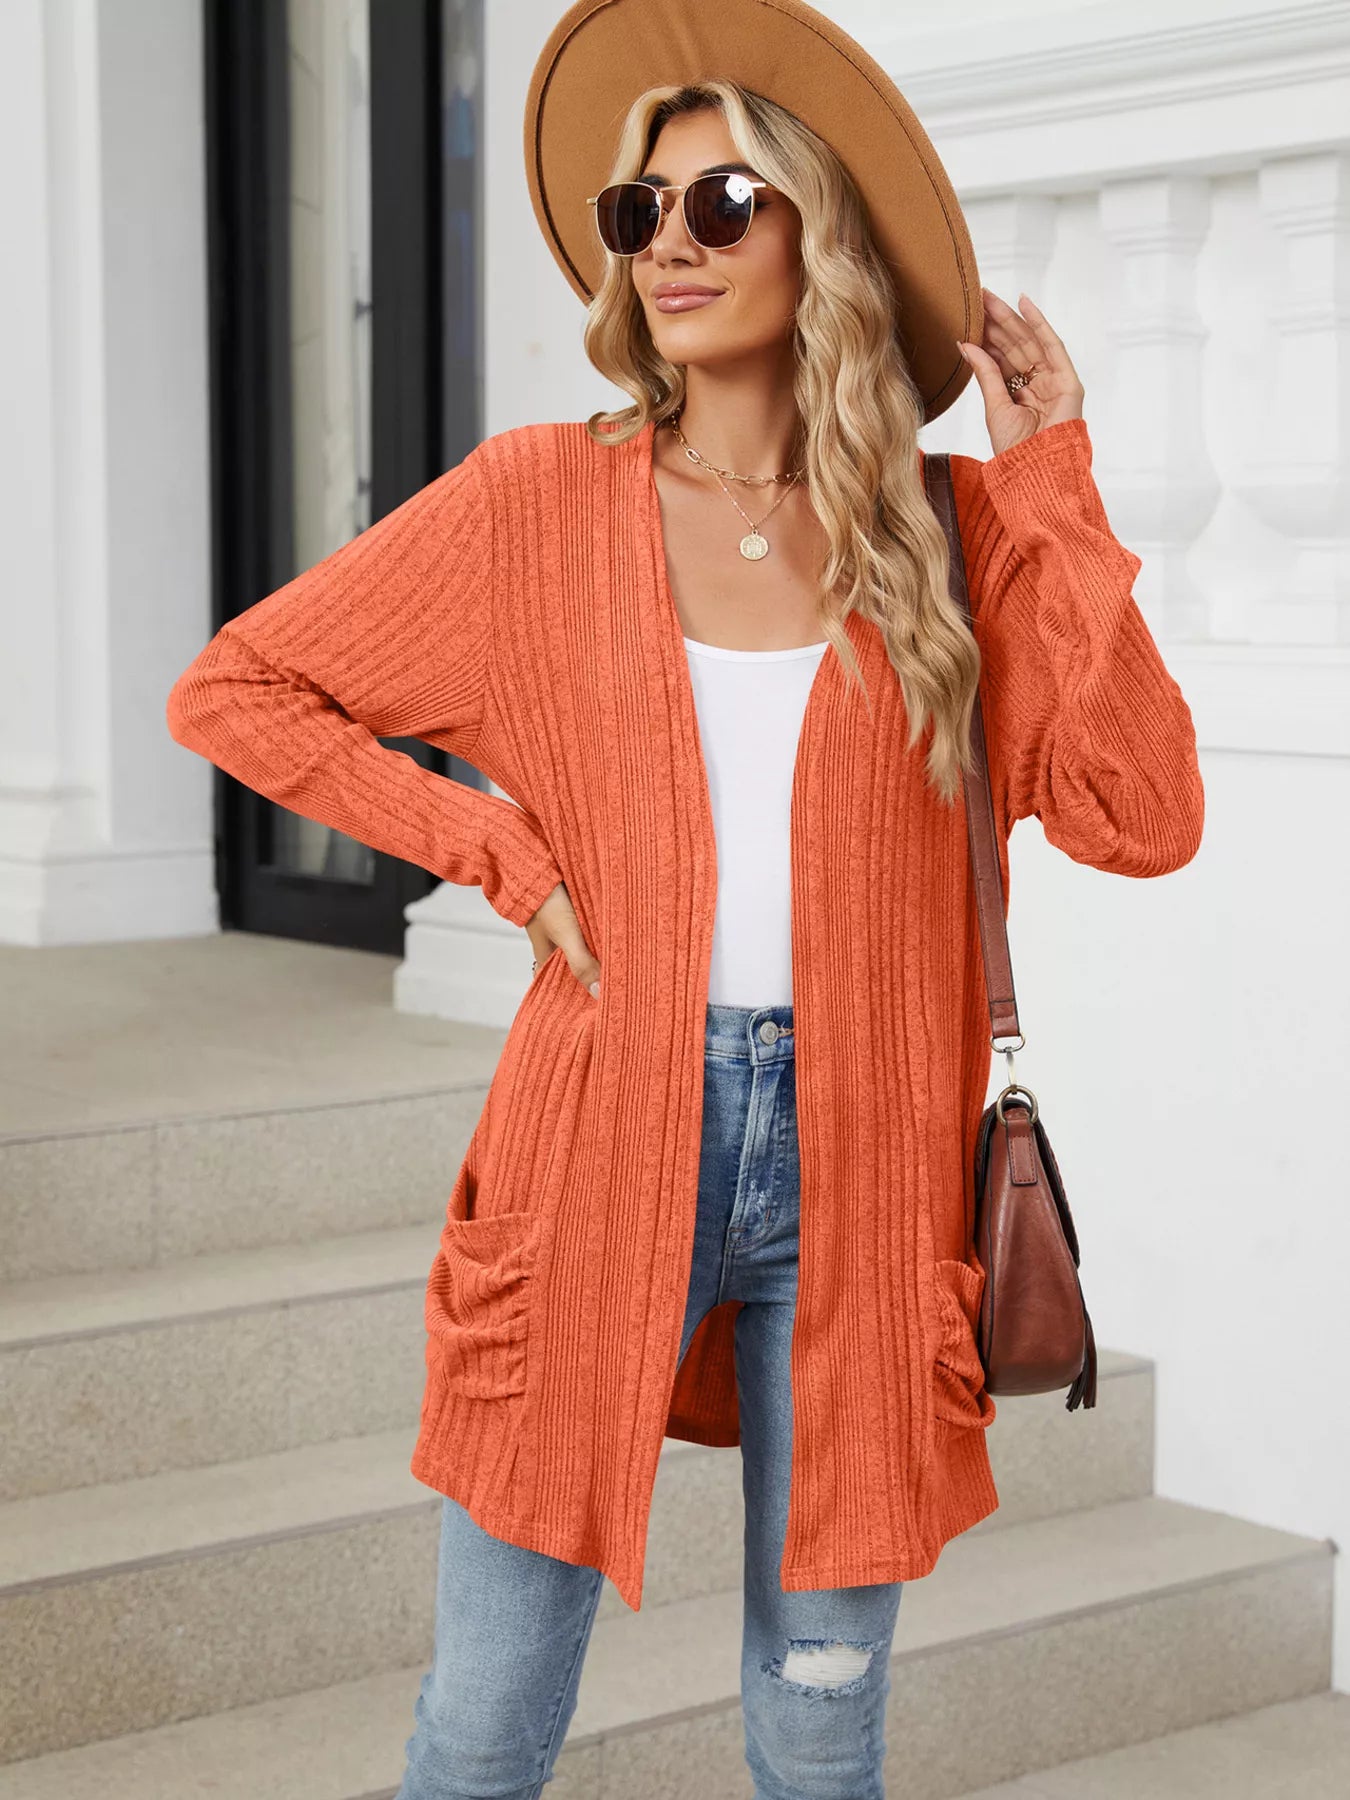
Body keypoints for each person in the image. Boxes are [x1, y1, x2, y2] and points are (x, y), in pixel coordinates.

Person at [166, 4, 1205, 1795]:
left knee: (818, 1725)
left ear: (823, 236)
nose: (668, 244)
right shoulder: (532, 506)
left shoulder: (950, 532)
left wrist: (1053, 480)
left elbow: (1142, 814)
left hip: (870, 1176)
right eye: (637, 210)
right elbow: (237, 689)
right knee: (484, 1726)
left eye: (722, 202)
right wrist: (500, 855)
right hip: (590, 1143)